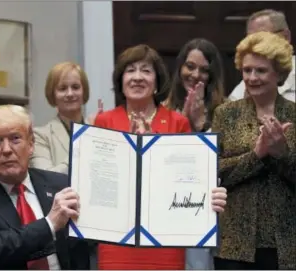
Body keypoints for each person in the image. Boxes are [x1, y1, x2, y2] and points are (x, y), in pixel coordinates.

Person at [93, 44, 228, 270]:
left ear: (157, 81)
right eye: (130, 70)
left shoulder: (177, 122)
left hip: (165, 241)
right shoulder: (104, 121)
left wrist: (208, 195)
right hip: (116, 240)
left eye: (146, 71)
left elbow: (187, 183)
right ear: (120, 80)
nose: (137, 77)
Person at [0, 105, 90, 270]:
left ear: (31, 145)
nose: (6, 150)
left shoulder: (61, 186)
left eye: (15, 139)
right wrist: (48, 225)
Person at [212, 31, 295, 270]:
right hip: (235, 244)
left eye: (261, 70)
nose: (252, 77)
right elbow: (214, 172)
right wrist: (256, 155)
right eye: (247, 70)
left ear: (279, 73)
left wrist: (282, 155)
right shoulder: (226, 115)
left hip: (286, 246)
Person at [30, 61, 102, 174]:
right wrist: (81, 150)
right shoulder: (40, 136)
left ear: (84, 92)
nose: (70, 94)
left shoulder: (99, 130)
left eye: (75, 87)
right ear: (52, 94)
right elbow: (46, 178)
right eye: (62, 88)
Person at [228, 9, 295, 102]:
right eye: (250, 39)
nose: (255, 45)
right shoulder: (244, 87)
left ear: (286, 37)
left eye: (263, 37)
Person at [165, 38, 226, 132]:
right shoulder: (164, 109)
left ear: (212, 75)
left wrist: (200, 126)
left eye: (204, 70)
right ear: (180, 68)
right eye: (190, 67)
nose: (196, 75)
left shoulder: (227, 111)